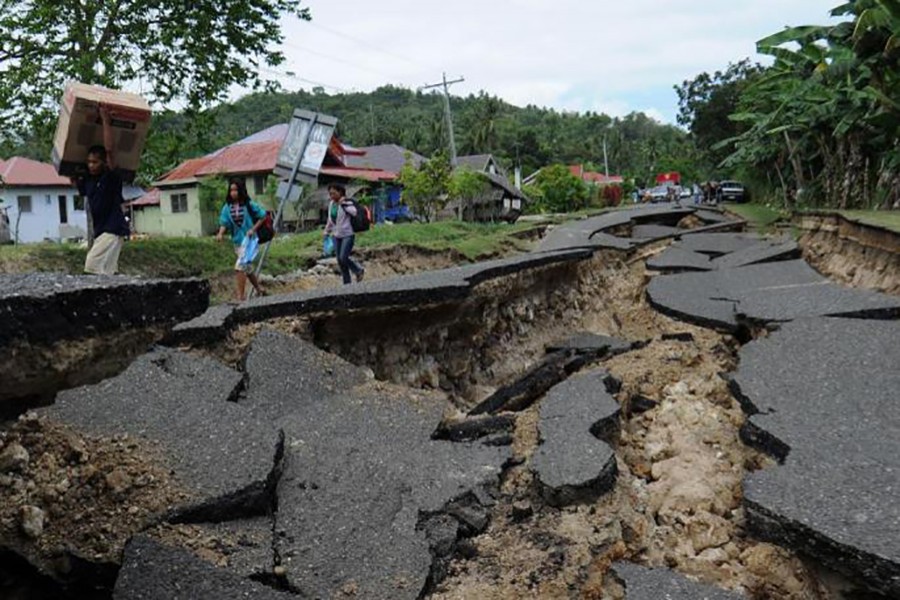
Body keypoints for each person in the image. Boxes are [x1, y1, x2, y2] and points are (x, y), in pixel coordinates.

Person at [73, 105, 130, 275]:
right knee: (107, 273)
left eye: (95, 162)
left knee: (91, 266)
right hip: (102, 231)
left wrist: (105, 121)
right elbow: (74, 180)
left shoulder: (111, 177)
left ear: (103, 163)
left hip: (113, 229)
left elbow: (110, 151)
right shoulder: (88, 181)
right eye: (89, 162)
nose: (91, 165)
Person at [216, 178, 267, 301]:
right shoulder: (227, 208)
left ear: (241, 190)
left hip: (250, 241)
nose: (233, 193)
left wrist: (253, 229)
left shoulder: (249, 204)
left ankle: (241, 297)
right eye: (231, 190)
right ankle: (259, 289)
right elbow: (224, 222)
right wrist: (220, 233)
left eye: (236, 190)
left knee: (240, 266)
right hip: (238, 242)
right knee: (247, 268)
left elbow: (263, 216)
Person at [324, 183, 364, 285]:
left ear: (340, 192)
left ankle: (358, 270)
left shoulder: (347, 202)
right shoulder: (331, 204)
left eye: (333, 193)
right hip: (336, 235)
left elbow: (354, 212)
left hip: (347, 234)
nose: (331, 196)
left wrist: (343, 204)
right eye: (330, 194)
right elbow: (330, 219)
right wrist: (326, 231)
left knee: (343, 257)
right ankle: (347, 283)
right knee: (340, 261)